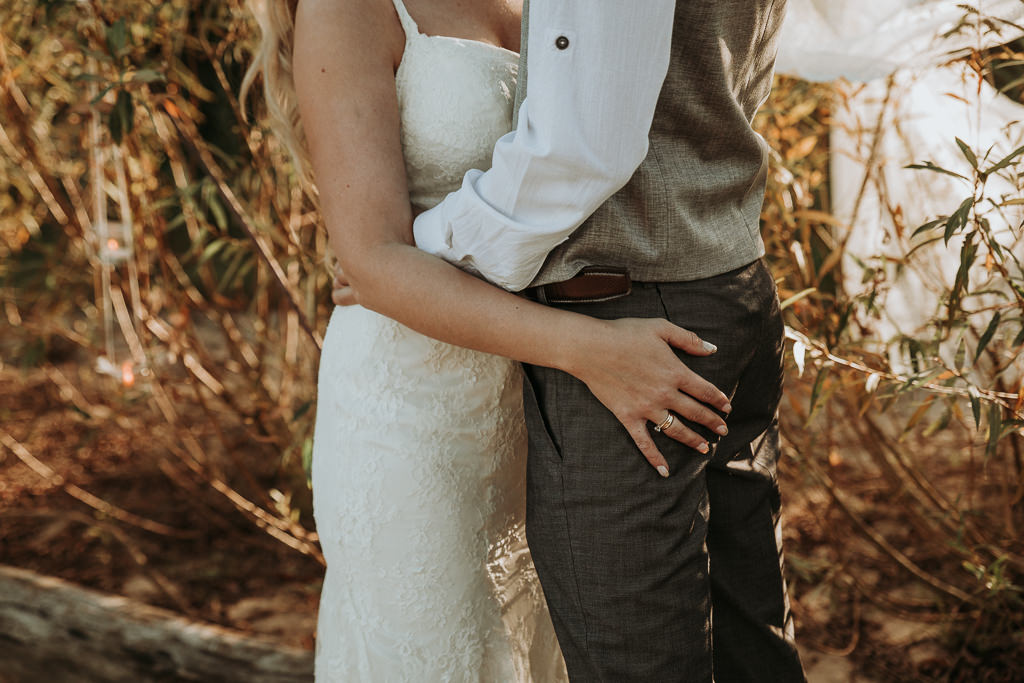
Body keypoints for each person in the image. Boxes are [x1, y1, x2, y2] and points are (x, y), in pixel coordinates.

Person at [246, 0, 734, 680]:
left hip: (544, 401)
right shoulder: (350, 10)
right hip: (415, 411)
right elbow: (373, 259)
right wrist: (585, 349)